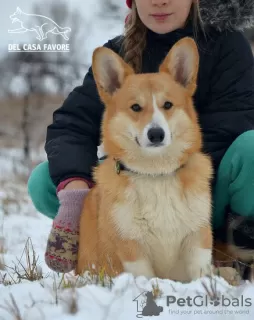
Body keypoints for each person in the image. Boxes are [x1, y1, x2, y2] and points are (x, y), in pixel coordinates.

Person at [27, 0, 254, 275]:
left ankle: (230, 248)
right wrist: (76, 193)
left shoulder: (226, 45)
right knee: (45, 181)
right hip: (133, 191)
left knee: (250, 148)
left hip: (203, 192)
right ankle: (113, 246)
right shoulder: (118, 53)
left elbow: (231, 126)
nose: (159, 1)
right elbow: (72, 123)